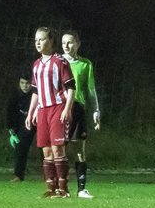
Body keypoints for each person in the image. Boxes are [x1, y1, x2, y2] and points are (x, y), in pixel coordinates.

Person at [24, 27, 75, 198]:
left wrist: (67, 109)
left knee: (57, 150)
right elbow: (36, 91)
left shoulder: (60, 62)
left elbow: (70, 87)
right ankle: (51, 188)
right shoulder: (36, 65)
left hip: (58, 108)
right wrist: (31, 112)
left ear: (51, 41)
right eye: (36, 40)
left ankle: (63, 189)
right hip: (43, 111)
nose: (38, 43)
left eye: (42, 39)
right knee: (46, 152)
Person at [61, 31, 102, 198]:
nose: (66, 45)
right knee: (59, 149)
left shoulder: (85, 64)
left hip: (77, 109)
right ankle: (61, 188)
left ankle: (81, 189)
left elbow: (91, 90)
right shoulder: (58, 62)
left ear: (77, 43)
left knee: (79, 150)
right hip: (61, 108)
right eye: (63, 42)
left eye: (70, 42)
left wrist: (96, 110)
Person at [5, 75, 37, 182]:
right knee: (20, 146)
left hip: (36, 121)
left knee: (45, 147)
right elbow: (10, 112)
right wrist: (11, 131)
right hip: (21, 124)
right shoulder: (15, 95)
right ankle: (18, 175)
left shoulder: (35, 94)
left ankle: (50, 175)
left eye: (27, 83)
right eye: (22, 83)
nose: (25, 86)